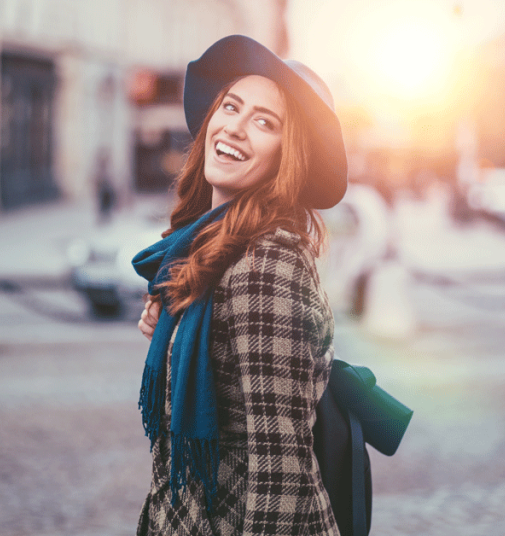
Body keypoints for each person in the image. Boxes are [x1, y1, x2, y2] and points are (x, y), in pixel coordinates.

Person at [131, 35, 348, 536]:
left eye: (265, 122)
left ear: (285, 156)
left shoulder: (267, 263)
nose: (235, 127)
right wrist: (174, 327)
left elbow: (279, 471)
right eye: (231, 106)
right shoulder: (208, 248)